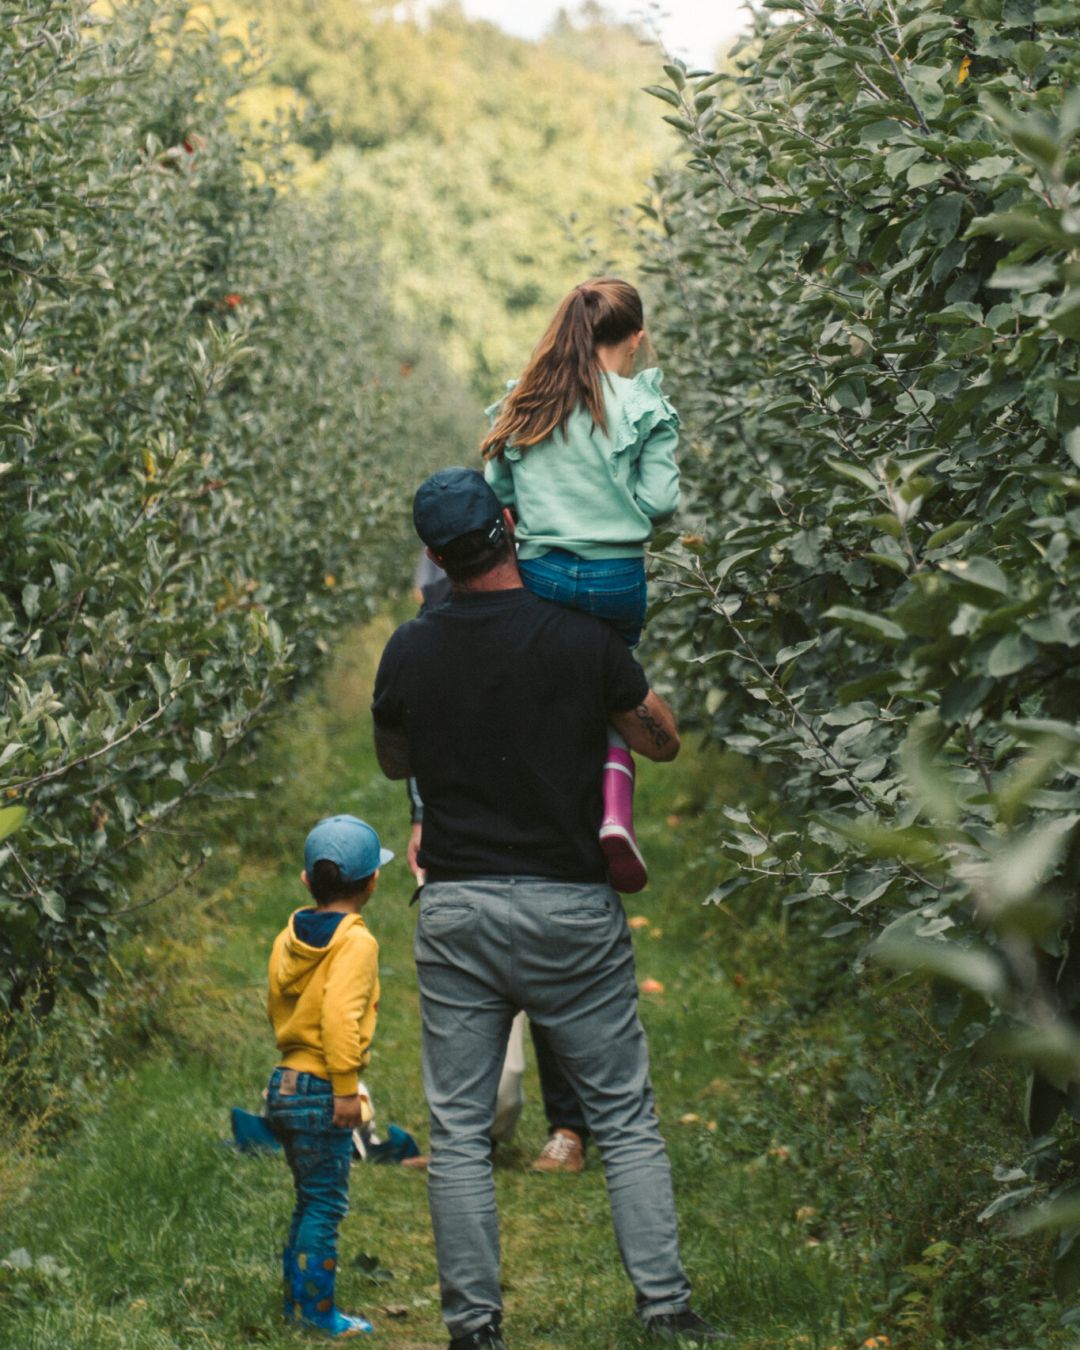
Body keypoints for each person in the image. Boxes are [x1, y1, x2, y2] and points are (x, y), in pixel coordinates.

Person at [371, 467, 725, 1348]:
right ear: (510, 524)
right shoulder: (579, 638)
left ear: (433, 555)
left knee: (458, 1133)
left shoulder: (409, 649)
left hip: (457, 909)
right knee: (624, 1117)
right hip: (570, 909)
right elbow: (663, 740)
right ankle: (666, 1310)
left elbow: (392, 760)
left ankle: (474, 1328)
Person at [481, 276, 680, 894]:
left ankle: (533, 819)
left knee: (545, 692)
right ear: (636, 338)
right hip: (614, 579)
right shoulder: (642, 405)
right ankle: (613, 812)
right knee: (609, 689)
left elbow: (497, 491)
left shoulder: (528, 401)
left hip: (541, 573)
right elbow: (661, 502)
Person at [265, 814, 393, 1339]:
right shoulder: (356, 943)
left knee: (309, 1199)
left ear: (306, 881)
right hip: (322, 1088)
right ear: (372, 881)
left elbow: (276, 1002)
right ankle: (317, 1315)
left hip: (284, 1081)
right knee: (325, 1204)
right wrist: (346, 1090)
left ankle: (298, 1306)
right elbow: (340, 1018)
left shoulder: (288, 936)